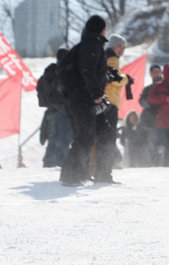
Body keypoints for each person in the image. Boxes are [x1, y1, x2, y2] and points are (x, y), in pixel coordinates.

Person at [59, 15, 110, 187]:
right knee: (85, 137)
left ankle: (82, 174)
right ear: (101, 29)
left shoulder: (88, 44)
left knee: (92, 135)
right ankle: (70, 176)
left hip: (80, 98)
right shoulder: (92, 45)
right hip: (83, 99)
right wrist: (96, 92)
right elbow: (87, 70)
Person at [96, 33, 130, 183]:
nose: (122, 51)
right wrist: (126, 79)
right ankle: (104, 175)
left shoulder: (105, 57)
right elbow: (113, 80)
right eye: (121, 47)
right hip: (110, 102)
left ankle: (100, 173)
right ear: (115, 46)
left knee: (104, 139)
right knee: (108, 139)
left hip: (104, 102)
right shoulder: (112, 59)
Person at [37, 48, 73, 168]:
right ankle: (59, 161)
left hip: (52, 109)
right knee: (64, 136)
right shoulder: (63, 71)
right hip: (64, 108)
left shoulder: (49, 71)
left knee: (55, 135)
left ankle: (49, 161)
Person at [138, 64, 162, 166]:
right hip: (150, 121)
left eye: (157, 71)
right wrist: (150, 102)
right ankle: (153, 165)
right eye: (153, 72)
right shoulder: (148, 88)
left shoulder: (166, 86)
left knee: (162, 145)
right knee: (151, 145)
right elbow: (141, 101)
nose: (155, 74)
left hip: (164, 120)